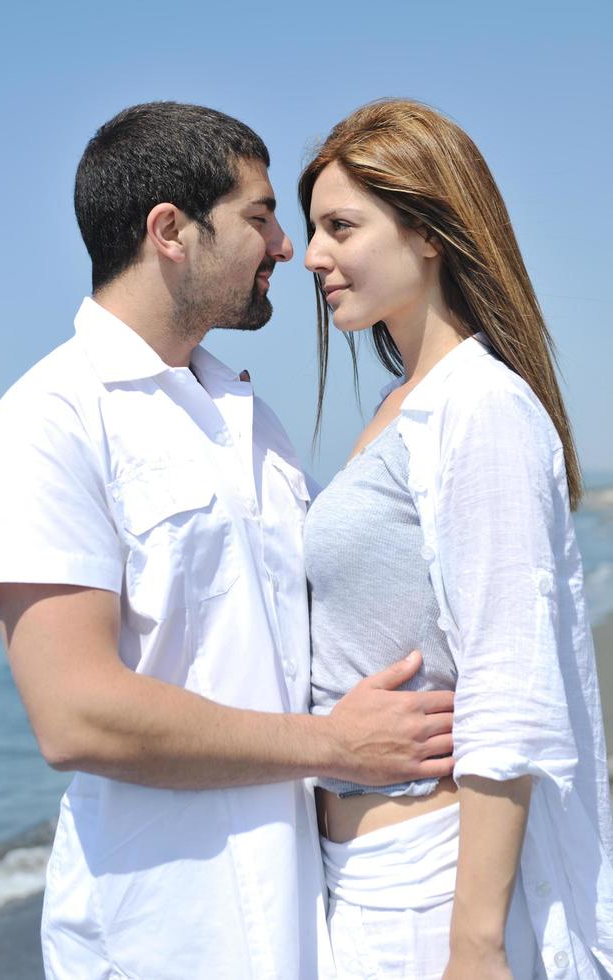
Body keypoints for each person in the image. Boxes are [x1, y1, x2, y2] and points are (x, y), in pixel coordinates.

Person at [0, 102, 455, 980]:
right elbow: (74, 715)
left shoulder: (249, 419)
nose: (286, 249)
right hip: (161, 936)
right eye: (260, 217)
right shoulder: (49, 423)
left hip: (306, 915)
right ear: (170, 231)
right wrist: (336, 745)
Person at [299, 98, 613, 980]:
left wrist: (474, 945)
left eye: (340, 226)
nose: (314, 255)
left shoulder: (481, 408)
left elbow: (510, 682)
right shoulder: (402, 410)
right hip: (359, 879)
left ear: (429, 232)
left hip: (429, 893)